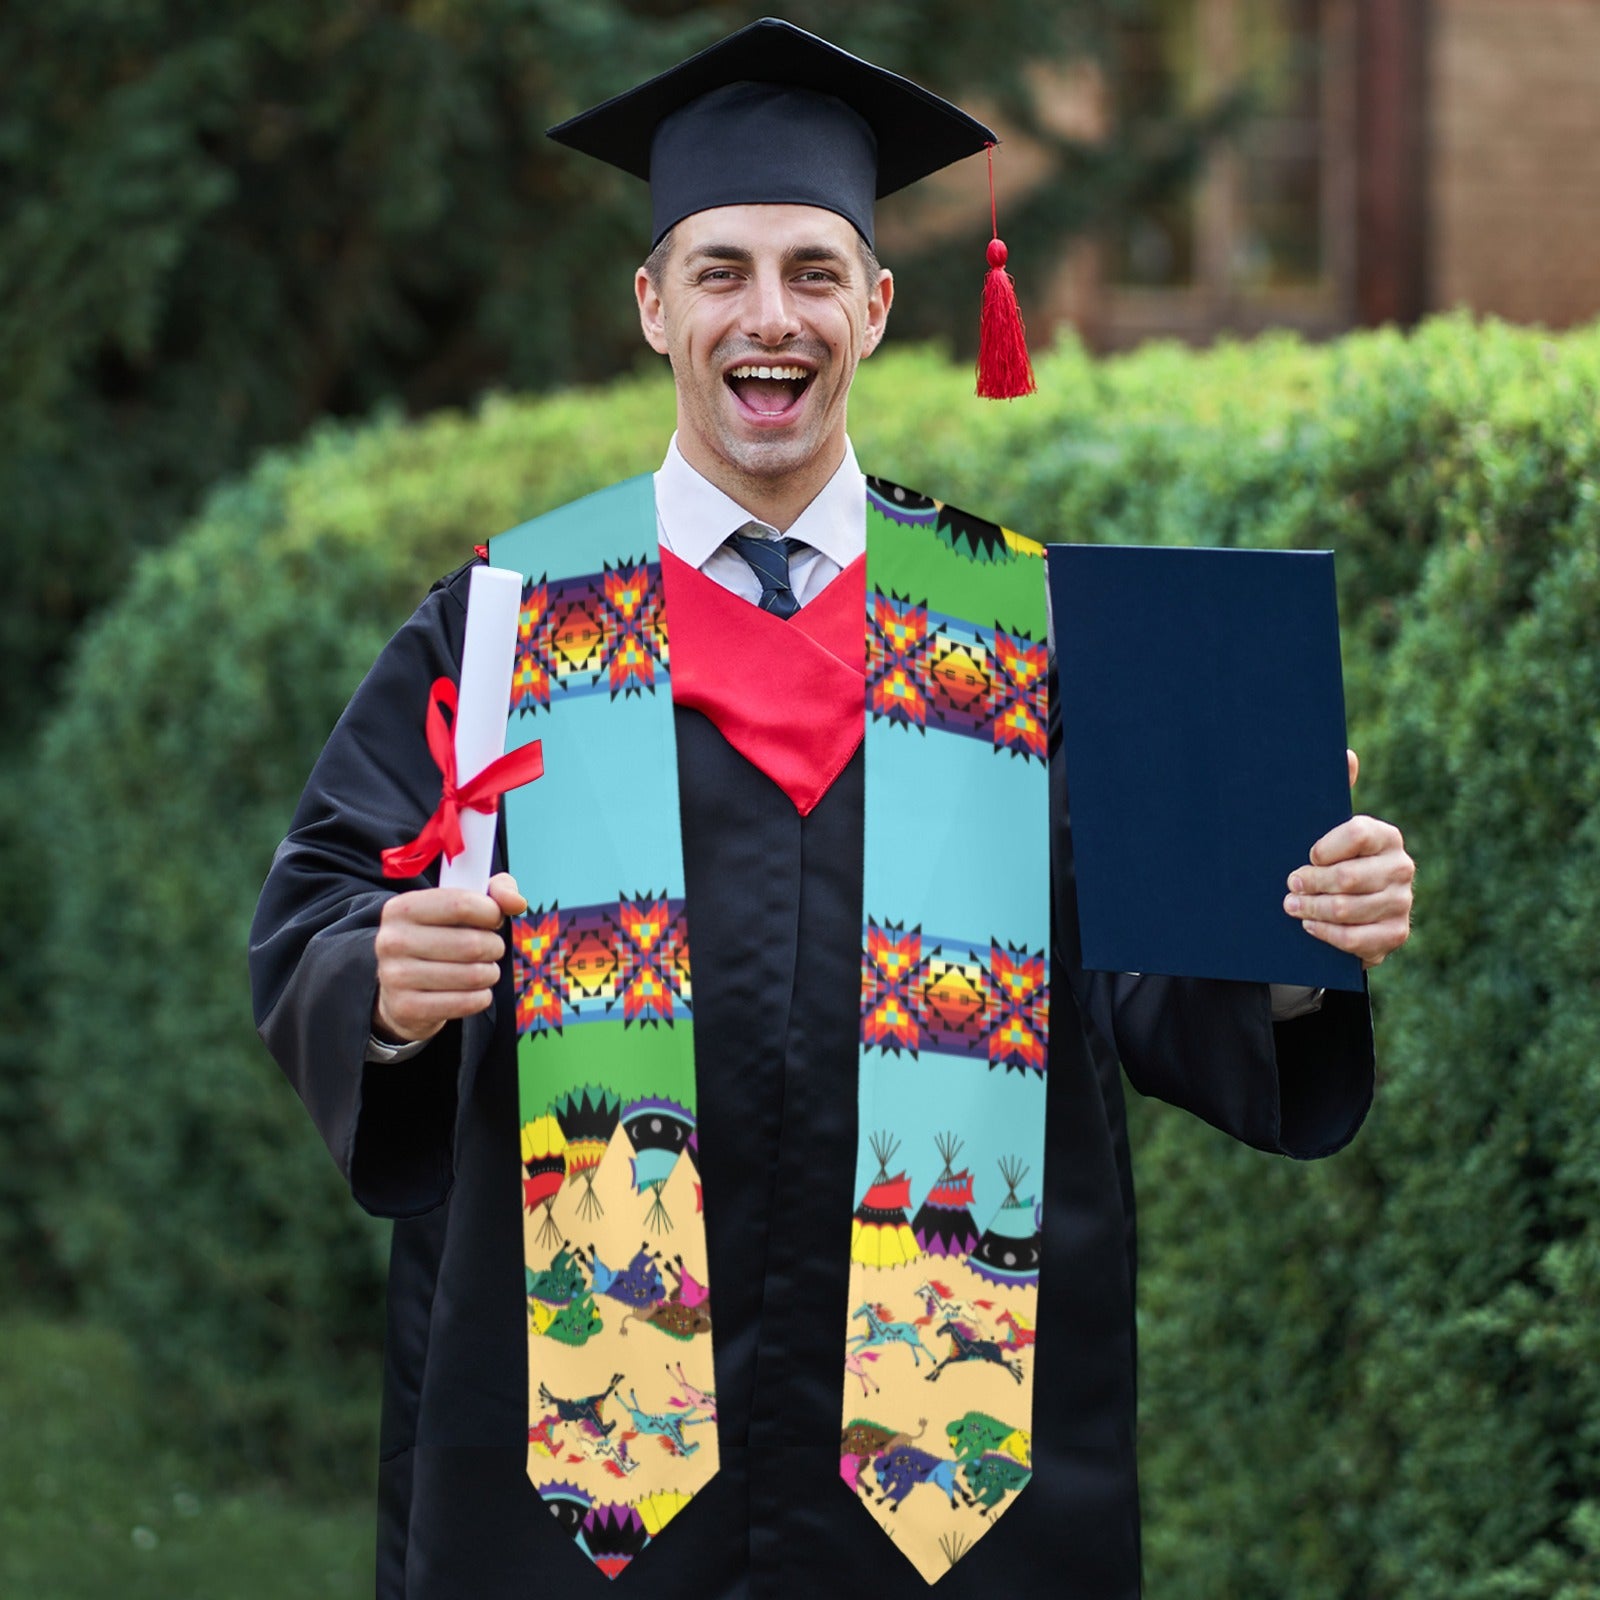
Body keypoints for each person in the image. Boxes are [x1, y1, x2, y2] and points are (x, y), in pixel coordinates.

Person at [249, 19, 1414, 1600]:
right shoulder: (515, 621)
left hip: (947, 1472)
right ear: (654, 305)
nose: (768, 316)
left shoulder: (1021, 629)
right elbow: (324, 902)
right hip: (592, 1471)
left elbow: (1149, 978)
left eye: (812, 270)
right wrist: (380, 983)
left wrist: (1291, 936)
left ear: (876, 305)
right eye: (721, 270)